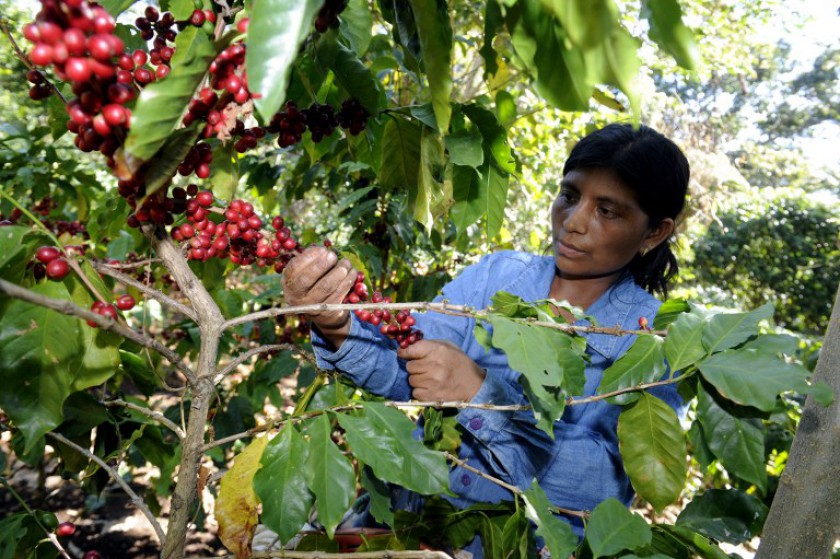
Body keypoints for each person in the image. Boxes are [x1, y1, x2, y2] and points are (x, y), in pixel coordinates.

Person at [282, 122, 690, 554]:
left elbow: (600, 483)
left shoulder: (654, 341)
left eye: (607, 211)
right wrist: (336, 325)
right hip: (408, 527)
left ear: (654, 232)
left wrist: (481, 394)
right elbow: (407, 367)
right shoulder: (499, 276)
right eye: (569, 196)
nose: (573, 222)